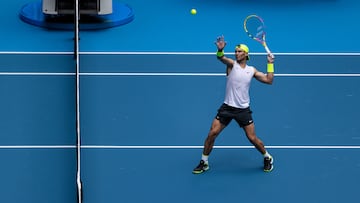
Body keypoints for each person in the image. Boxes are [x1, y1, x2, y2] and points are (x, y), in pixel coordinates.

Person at [192, 36, 275, 174]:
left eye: (240, 51)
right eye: (236, 51)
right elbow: (221, 58)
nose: (237, 53)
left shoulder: (251, 70)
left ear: (246, 54)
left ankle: (267, 157)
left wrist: (270, 63)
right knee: (212, 134)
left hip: (243, 110)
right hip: (227, 107)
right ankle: (204, 162)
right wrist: (220, 50)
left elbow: (269, 80)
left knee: (252, 138)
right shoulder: (231, 65)